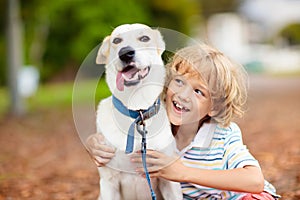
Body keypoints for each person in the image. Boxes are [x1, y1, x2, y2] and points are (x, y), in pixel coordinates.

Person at [86, 44, 280, 199]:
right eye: (179, 82)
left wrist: (180, 172)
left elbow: (255, 181)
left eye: (198, 91)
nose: (183, 95)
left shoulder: (222, 135)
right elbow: (117, 130)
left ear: (214, 107)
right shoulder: (152, 124)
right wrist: (94, 143)